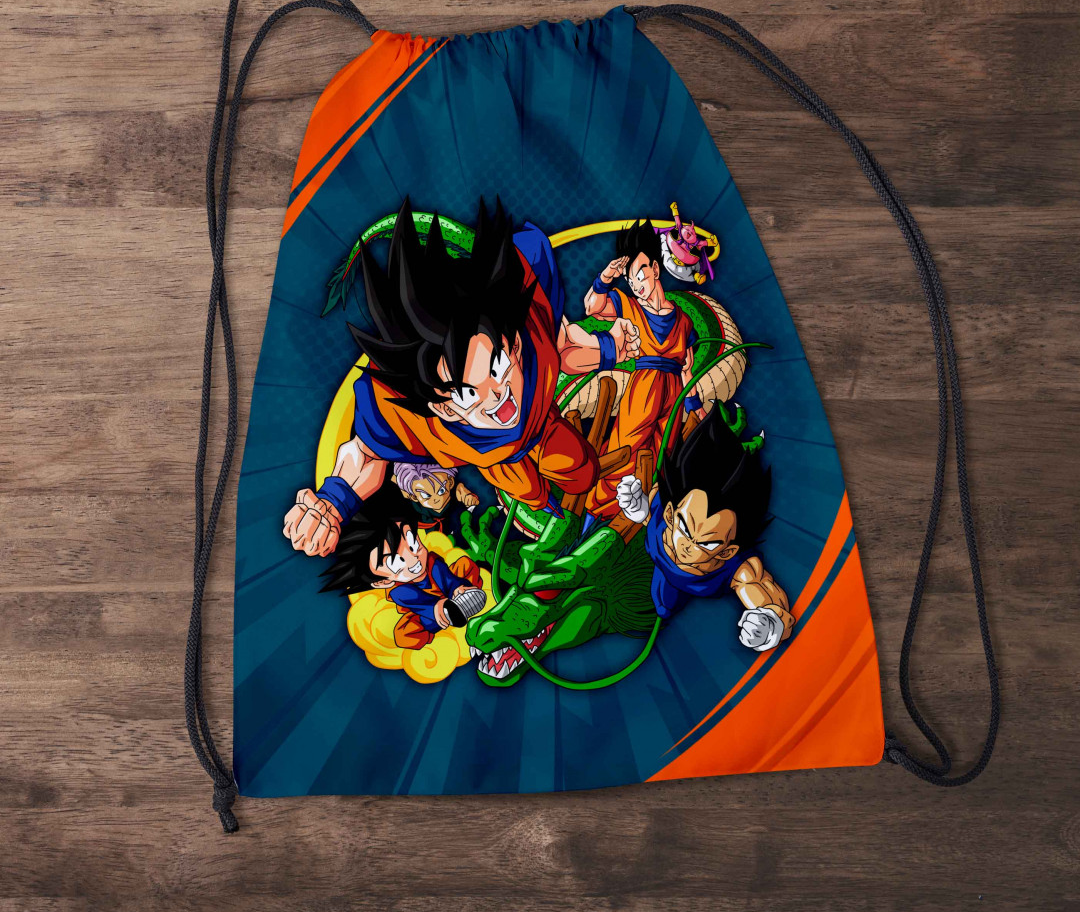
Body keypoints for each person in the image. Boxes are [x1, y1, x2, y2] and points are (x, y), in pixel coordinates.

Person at [283, 198, 640, 557]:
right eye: (468, 392)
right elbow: (365, 454)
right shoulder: (409, 411)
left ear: (513, 344)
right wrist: (333, 504)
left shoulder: (527, 319)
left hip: (543, 423)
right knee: (529, 492)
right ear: (443, 407)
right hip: (495, 461)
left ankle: (576, 500)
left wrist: (608, 349)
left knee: (580, 470)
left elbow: (561, 345)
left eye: (496, 365)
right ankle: (548, 508)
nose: (496, 394)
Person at [616, 402, 792, 651]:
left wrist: (770, 622)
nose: (688, 545)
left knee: (665, 607)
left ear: (727, 551)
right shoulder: (662, 510)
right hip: (662, 574)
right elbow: (650, 515)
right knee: (663, 604)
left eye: (707, 543)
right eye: (685, 529)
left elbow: (759, 588)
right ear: (671, 515)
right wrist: (639, 508)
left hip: (692, 583)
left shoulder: (734, 567)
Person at [584, 218, 700, 520]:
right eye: (630, 280)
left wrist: (696, 408)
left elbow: (687, 369)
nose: (636, 285)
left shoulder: (683, 320)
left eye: (640, 275)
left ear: (656, 269)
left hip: (673, 395)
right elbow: (592, 306)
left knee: (662, 458)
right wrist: (606, 277)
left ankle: (643, 519)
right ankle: (594, 517)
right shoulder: (628, 306)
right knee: (624, 451)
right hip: (643, 389)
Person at [320, 481, 486, 650]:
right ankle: (445, 614)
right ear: (381, 581)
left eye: (413, 543)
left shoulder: (431, 563)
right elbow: (417, 601)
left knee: (465, 565)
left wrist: (456, 588)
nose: (413, 559)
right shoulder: (399, 591)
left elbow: (445, 576)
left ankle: (462, 595)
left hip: (449, 591)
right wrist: (437, 609)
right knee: (404, 634)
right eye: (396, 562)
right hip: (427, 610)